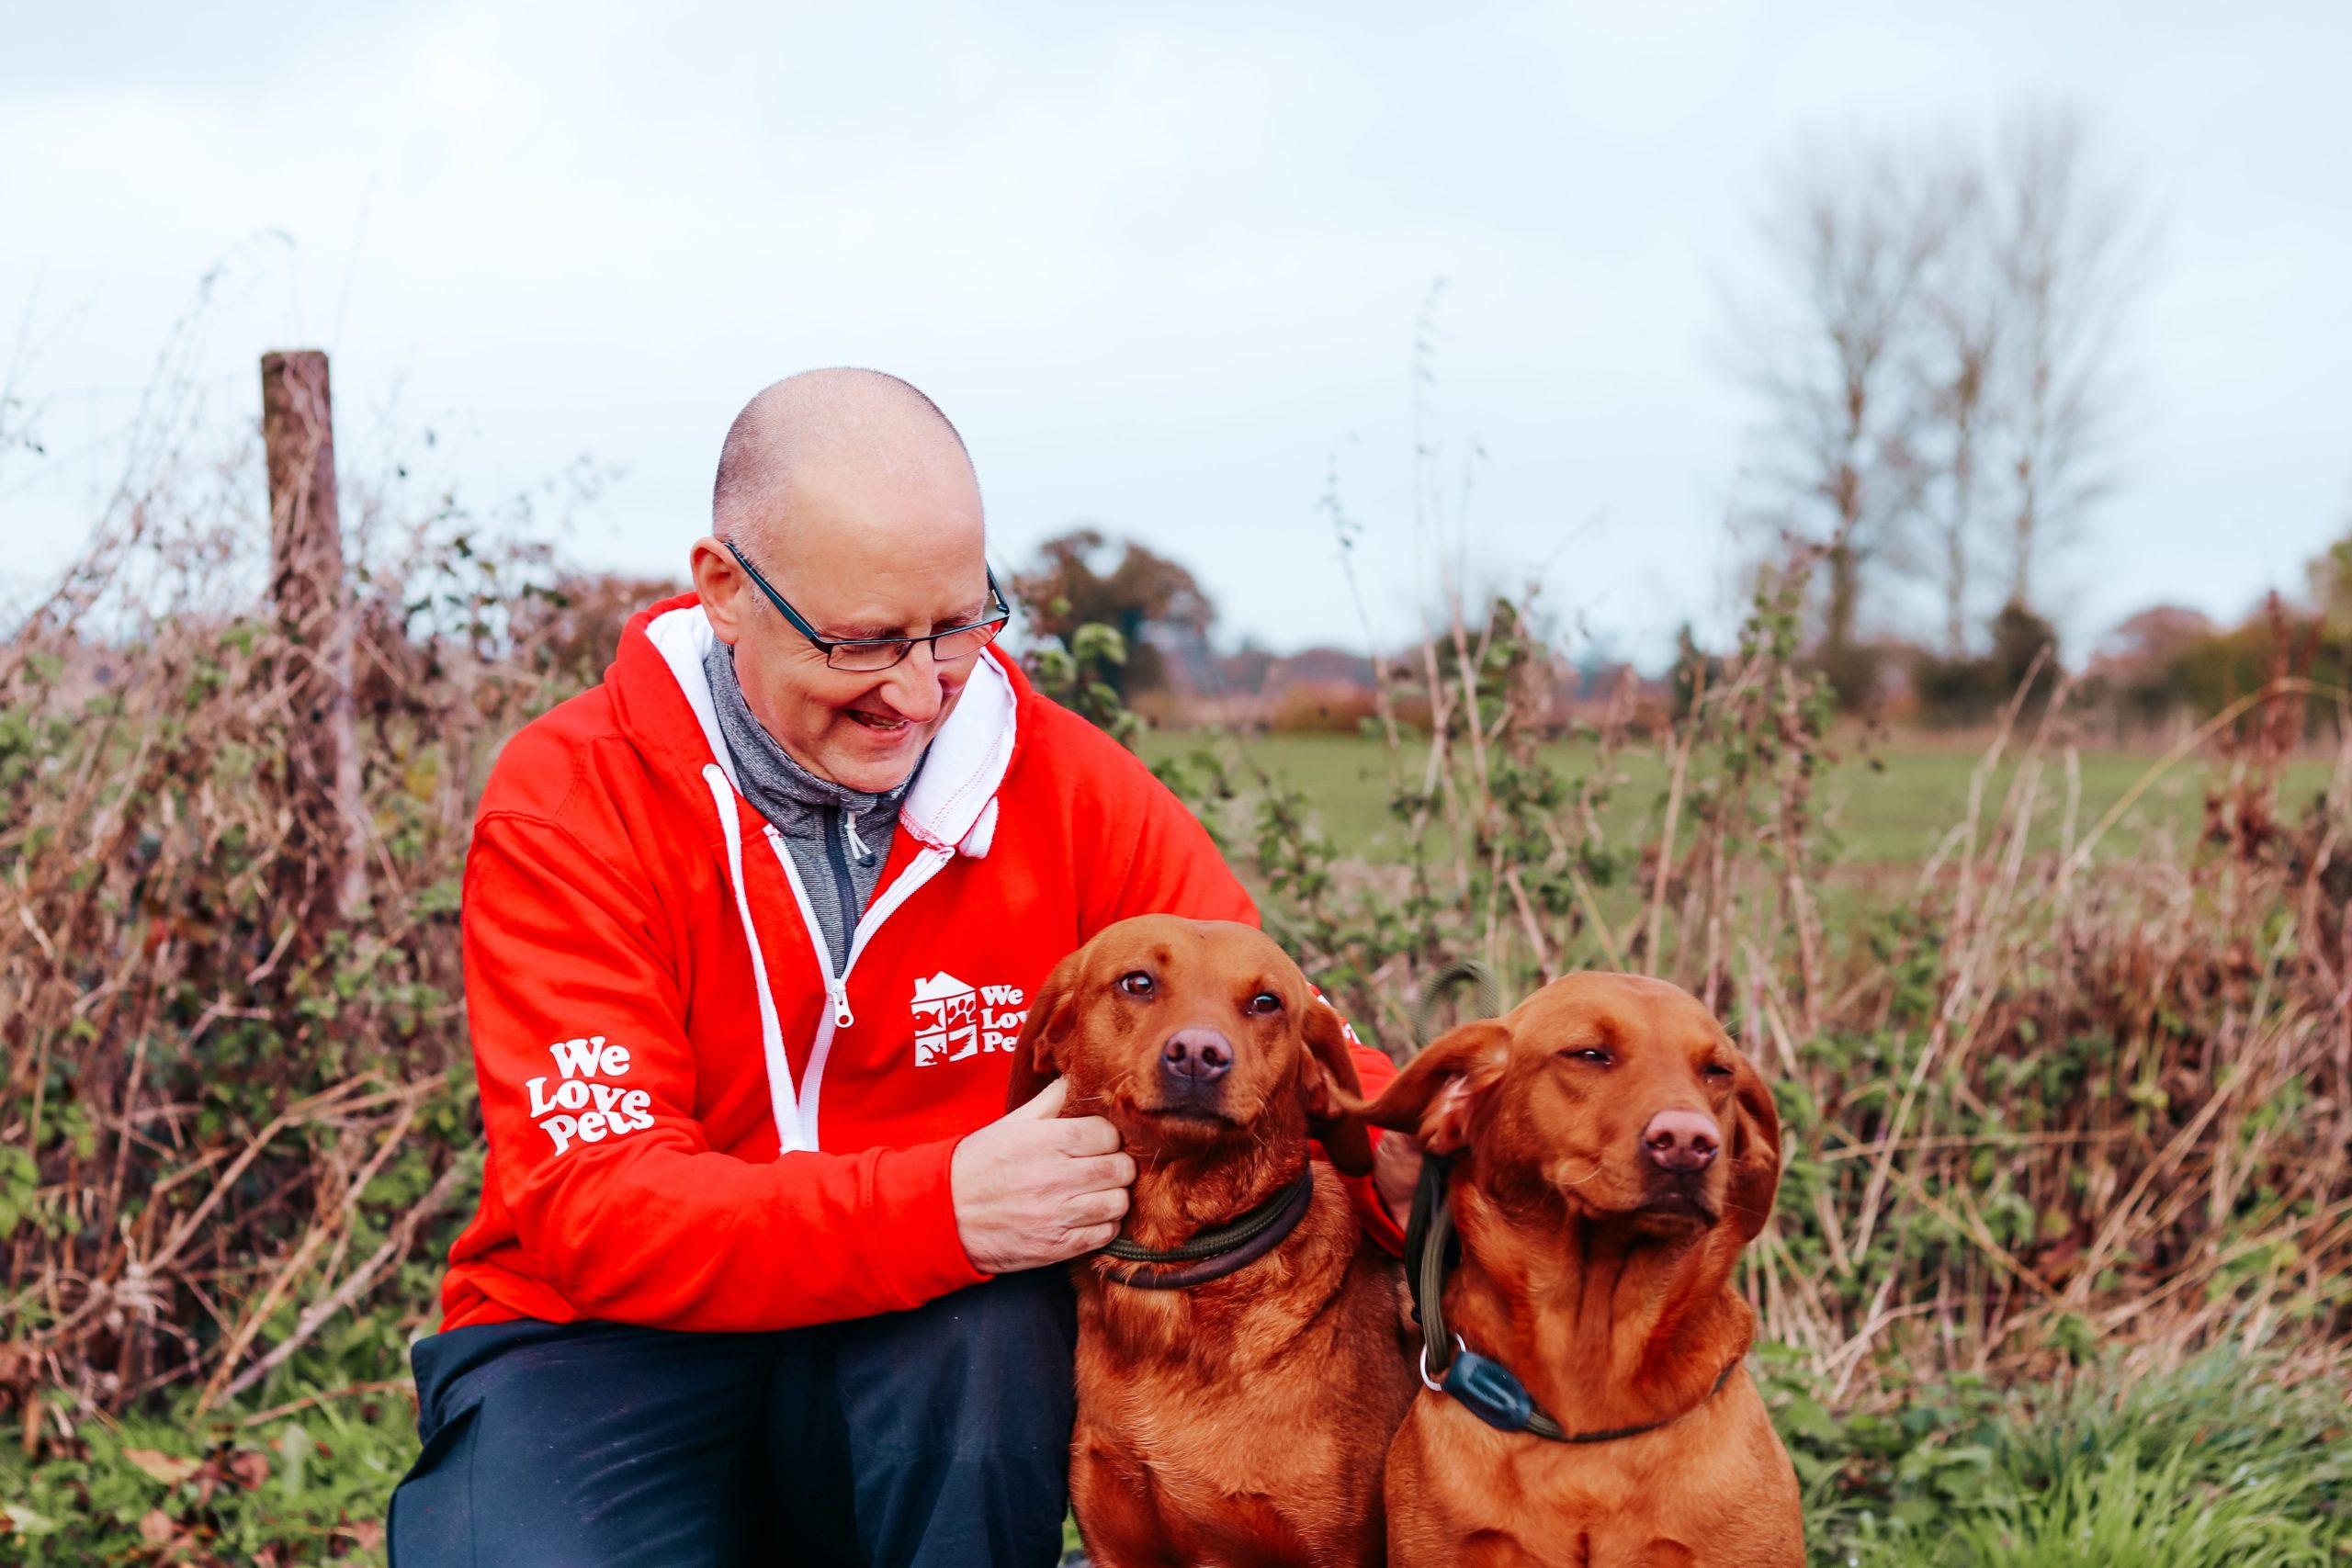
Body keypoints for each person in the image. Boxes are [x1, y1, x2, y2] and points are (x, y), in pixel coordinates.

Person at [389, 368, 1413, 1568]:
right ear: (724, 588)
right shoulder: (572, 805)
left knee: (984, 1342)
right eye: (864, 640)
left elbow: (1279, 1045)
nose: (920, 690)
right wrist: (946, 1207)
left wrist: (1452, 1177)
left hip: (925, 1332)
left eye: (962, 626)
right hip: (601, 1341)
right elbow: (597, 1207)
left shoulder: (1075, 794)